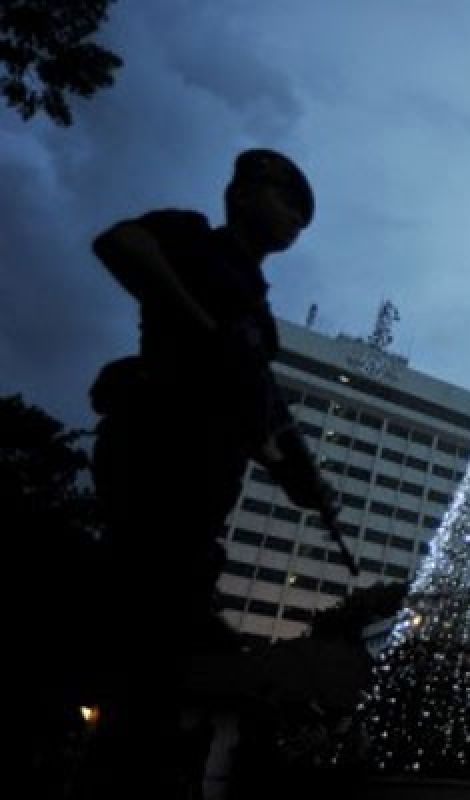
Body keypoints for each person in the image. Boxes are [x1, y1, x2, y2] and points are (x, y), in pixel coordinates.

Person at [82, 149, 340, 799]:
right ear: (244, 193)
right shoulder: (194, 239)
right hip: (156, 457)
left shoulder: (260, 318)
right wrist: (203, 328)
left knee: (173, 643)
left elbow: (258, 420)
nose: (293, 223)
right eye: (287, 204)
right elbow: (119, 244)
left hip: (206, 486)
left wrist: (294, 475)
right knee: (151, 635)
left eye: (303, 220)